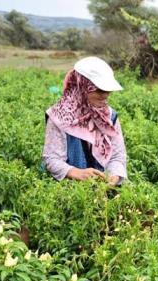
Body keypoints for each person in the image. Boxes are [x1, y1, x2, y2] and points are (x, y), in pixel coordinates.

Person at [42, 56, 127, 185]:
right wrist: (76, 172)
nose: (105, 95)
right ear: (82, 87)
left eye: (108, 90)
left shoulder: (109, 116)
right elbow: (51, 159)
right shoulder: (59, 117)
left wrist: (114, 176)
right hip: (69, 190)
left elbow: (117, 156)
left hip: (102, 190)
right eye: (99, 90)